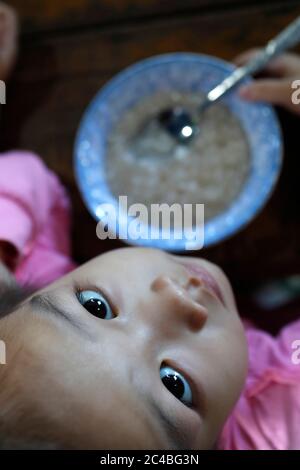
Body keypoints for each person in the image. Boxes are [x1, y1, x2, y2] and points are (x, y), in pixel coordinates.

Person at [0, 3, 299, 450]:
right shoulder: (279, 416)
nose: (175, 298)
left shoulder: (27, 299)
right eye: (175, 384)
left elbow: (24, 178)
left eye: (97, 306)